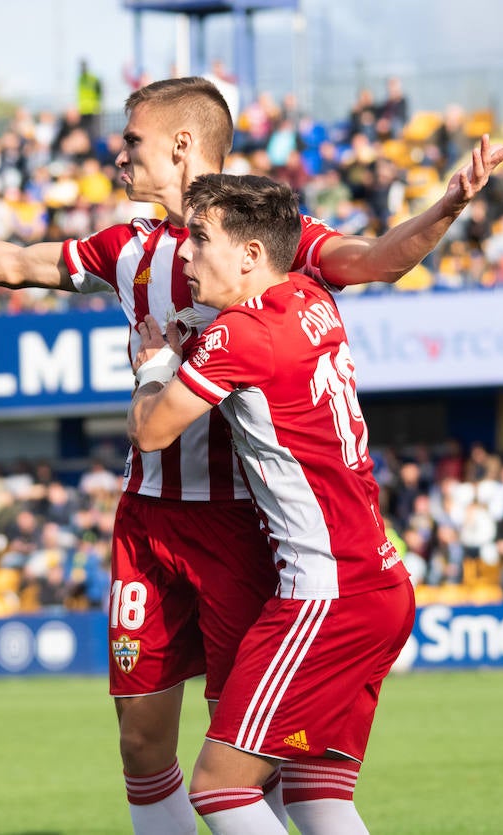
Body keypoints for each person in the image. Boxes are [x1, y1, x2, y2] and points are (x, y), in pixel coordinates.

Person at [0, 76, 503, 834]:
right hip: (151, 518)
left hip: (245, 531)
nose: (118, 156)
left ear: (182, 146)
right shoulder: (129, 246)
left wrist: (444, 208)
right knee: (141, 736)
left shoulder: (262, 238)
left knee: (247, 760)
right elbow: (24, 263)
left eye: (132, 141)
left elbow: (375, 258)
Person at [126, 174, 414, 834]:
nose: (187, 255)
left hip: (323, 593)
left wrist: (153, 364)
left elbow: (152, 430)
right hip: (381, 583)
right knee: (318, 795)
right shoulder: (314, 297)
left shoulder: (238, 338)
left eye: (200, 240)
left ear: (251, 254)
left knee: (220, 789)